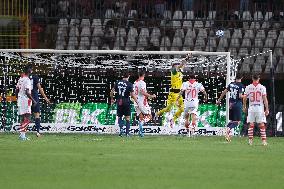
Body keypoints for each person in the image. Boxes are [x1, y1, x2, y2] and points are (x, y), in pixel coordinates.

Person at [156, 54, 192, 127]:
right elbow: (182, 64)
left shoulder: (179, 72)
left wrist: (187, 59)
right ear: (173, 67)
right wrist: (187, 57)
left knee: (182, 109)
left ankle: (173, 119)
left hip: (179, 94)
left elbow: (183, 64)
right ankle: (158, 113)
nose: (178, 66)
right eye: (176, 65)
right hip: (173, 94)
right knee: (168, 109)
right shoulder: (173, 72)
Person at [217, 73, 245, 142]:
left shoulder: (231, 84)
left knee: (232, 120)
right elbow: (240, 96)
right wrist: (246, 96)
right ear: (242, 78)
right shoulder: (241, 86)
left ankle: (227, 132)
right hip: (237, 104)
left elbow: (224, 92)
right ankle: (228, 129)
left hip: (231, 104)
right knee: (237, 122)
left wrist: (219, 100)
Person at [243, 74, 269, 146]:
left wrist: (244, 106)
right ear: (259, 78)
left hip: (251, 108)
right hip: (259, 108)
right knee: (261, 124)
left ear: (252, 78)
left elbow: (244, 98)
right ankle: (264, 141)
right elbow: (265, 99)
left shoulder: (248, 87)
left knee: (251, 124)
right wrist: (267, 109)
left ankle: (250, 141)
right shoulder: (262, 87)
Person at [110, 71, 139, 137]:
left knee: (120, 117)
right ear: (128, 76)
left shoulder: (117, 82)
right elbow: (132, 95)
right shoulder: (129, 84)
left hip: (119, 101)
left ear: (122, 76)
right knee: (127, 118)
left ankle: (121, 130)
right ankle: (127, 133)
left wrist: (112, 99)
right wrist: (137, 102)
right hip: (126, 101)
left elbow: (111, 92)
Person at [28, 64, 51, 137]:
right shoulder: (35, 77)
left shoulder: (24, 77)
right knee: (37, 114)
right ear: (32, 69)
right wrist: (46, 98)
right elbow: (40, 88)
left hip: (27, 97)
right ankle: (37, 132)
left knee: (26, 115)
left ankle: (22, 133)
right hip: (34, 97)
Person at [16, 65, 37, 140]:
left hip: (20, 99)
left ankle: (22, 135)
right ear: (29, 70)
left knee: (23, 117)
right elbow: (27, 92)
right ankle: (22, 136)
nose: (32, 71)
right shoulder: (27, 80)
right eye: (31, 69)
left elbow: (17, 90)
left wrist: (18, 98)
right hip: (25, 100)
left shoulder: (21, 79)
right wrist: (34, 100)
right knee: (28, 117)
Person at [133, 72, 156, 137]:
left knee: (141, 117)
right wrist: (151, 96)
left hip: (136, 102)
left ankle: (140, 133)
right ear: (143, 75)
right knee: (150, 116)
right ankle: (141, 124)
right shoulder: (142, 83)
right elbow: (143, 92)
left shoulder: (135, 83)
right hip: (142, 102)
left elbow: (132, 93)